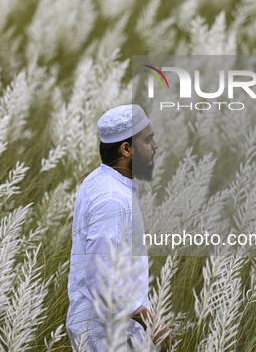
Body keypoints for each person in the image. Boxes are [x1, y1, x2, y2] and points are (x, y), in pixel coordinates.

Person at [66, 104, 173, 351]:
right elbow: (99, 275)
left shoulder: (101, 180)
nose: (155, 145)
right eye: (148, 140)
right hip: (107, 335)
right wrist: (149, 319)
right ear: (126, 149)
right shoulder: (111, 199)